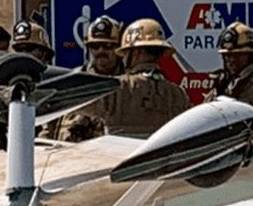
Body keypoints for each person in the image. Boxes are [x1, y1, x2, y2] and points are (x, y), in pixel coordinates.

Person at [62, 19, 190, 138]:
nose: (123, 58)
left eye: (125, 53)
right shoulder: (179, 95)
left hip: (120, 160)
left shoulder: (117, 88)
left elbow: (72, 103)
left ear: (135, 53)